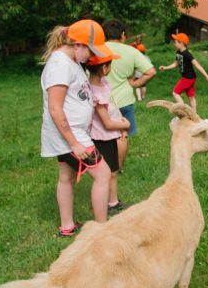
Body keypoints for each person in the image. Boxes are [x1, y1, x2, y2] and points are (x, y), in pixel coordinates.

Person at [40, 20, 113, 236]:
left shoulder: (70, 61)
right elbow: (55, 108)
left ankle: (67, 226)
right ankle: (102, 230)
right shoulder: (60, 65)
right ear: (78, 44)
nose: (92, 56)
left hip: (72, 134)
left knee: (66, 177)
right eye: (91, 50)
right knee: (103, 174)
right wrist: (74, 143)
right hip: (71, 136)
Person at [104, 19, 156, 170]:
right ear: (123, 35)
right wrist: (134, 84)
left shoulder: (98, 50)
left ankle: (104, 167)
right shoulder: (132, 51)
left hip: (102, 102)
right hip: (125, 100)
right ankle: (118, 168)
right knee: (122, 136)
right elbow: (151, 72)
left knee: (102, 136)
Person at [86, 53, 131, 217]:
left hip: (111, 134)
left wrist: (121, 127)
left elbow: (113, 107)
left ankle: (113, 202)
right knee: (107, 173)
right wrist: (125, 124)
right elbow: (106, 123)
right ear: (104, 68)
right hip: (102, 137)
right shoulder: (96, 92)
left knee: (113, 169)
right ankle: (106, 204)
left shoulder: (102, 83)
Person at [159, 33, 208, 112]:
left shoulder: (187, 54)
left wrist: (206, 75)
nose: (174, 44)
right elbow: (176, 63)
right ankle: (194, 115)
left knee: (175, 93)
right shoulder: (178, 52)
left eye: (176, 42)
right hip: (189, 77)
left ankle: (184, 111)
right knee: (191, 97)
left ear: (181, 43)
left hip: (188, 78)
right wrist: (166, 67)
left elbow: (197, 65)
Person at [130, 34, 149, 101]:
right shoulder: (147, 57)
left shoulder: (137, 58)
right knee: (143, 85)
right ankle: (143, 97)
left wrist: (133, 74)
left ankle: (139, 98)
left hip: (137, 74)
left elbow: (134, 66)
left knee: (137, 86)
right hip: (144, 73)